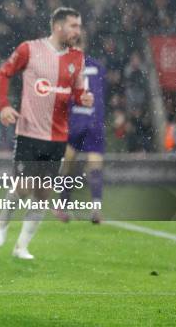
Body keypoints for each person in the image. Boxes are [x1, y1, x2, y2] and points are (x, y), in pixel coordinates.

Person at [0, 7, 94, 259]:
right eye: (73, 26)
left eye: (78, 26)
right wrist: (4, 105)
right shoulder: (30, 49)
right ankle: (2, 222)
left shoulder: (77, 58)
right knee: (24, 187)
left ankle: (21, 247)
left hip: (57, 137)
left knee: (43, 193)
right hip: (29, 133)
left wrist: (84, 98)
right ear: (58, 26)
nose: (77, 31)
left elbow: (77, 92)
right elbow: (4, 74)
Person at [56, 53, 106, 224]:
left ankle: (63, 206)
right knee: (94, 166)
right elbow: (101, 94)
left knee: (68, 164)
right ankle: (95, 209)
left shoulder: (66, 66)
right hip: (92, 120)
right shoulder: (97, 66)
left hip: (76, 121)